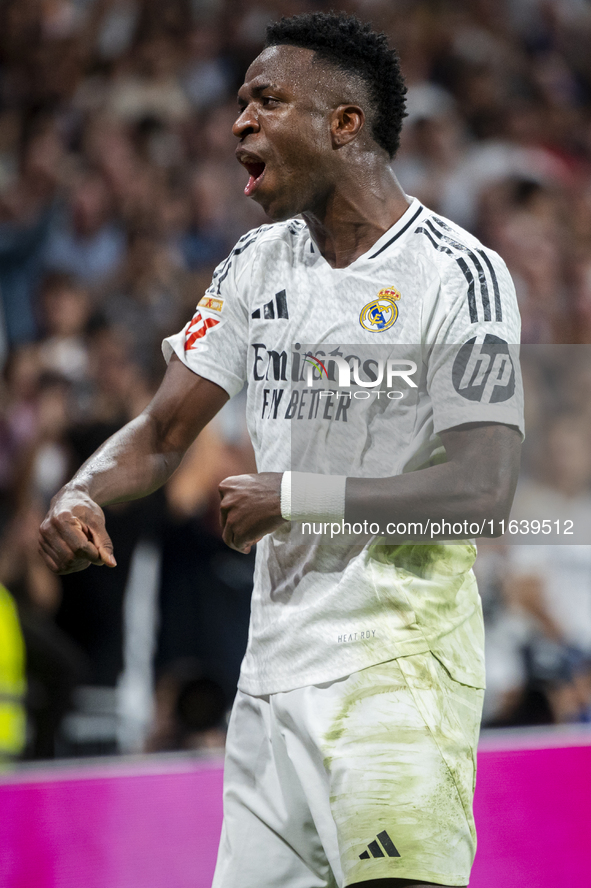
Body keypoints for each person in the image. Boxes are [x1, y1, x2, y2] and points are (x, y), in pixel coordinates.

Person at [39, 13, 523, 888]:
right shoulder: (253, 266)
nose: (238, 123)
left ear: (344, 124)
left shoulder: (459, 275)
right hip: (267, 687)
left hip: (396, 674)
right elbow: (159, 434)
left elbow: (485, 488)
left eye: (266, 100)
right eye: (237, 104)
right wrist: (80, 492)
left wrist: (295, 494)